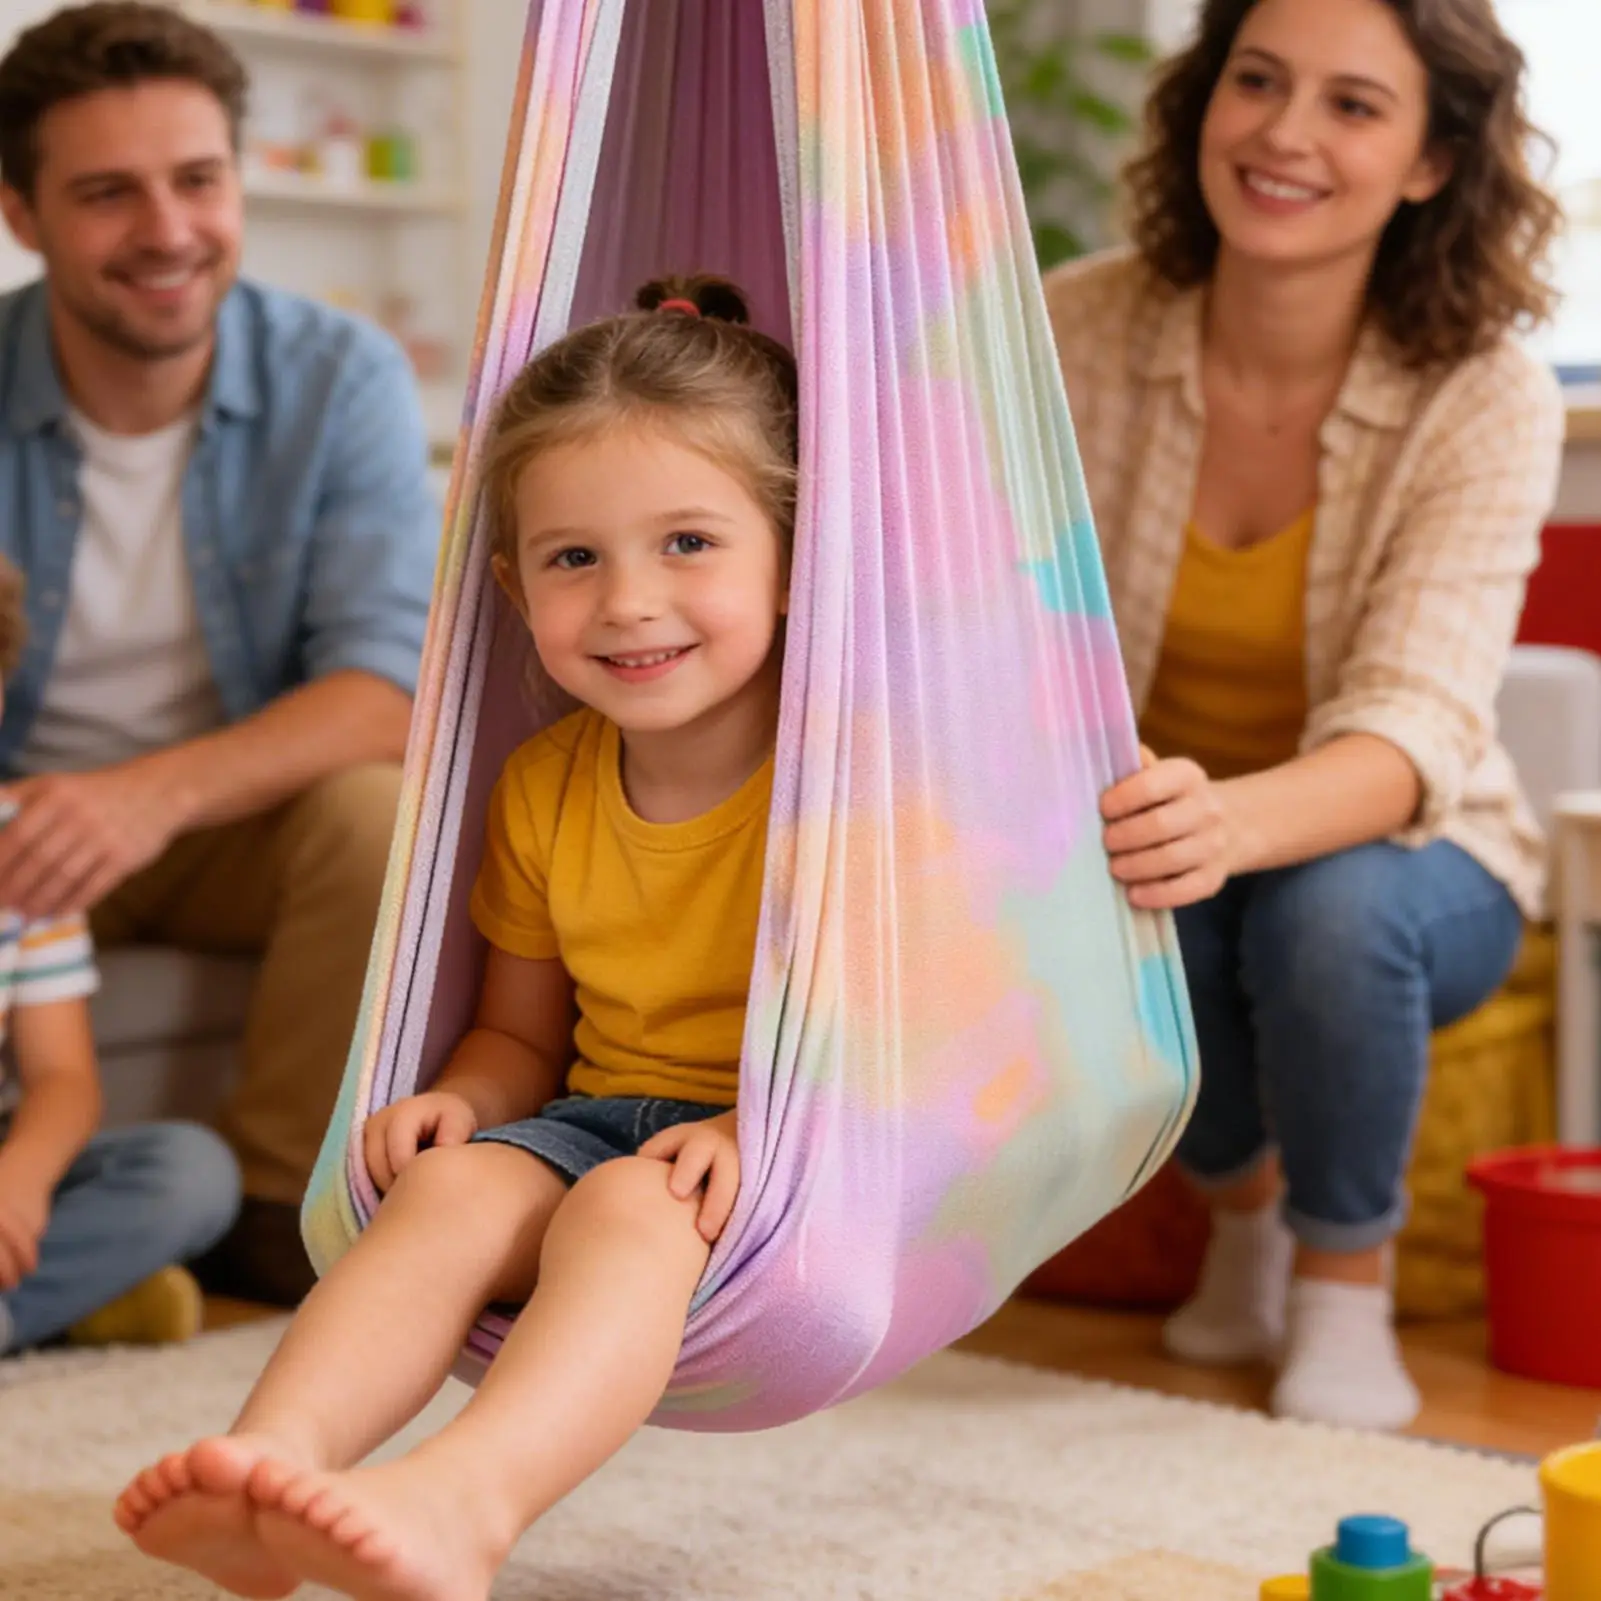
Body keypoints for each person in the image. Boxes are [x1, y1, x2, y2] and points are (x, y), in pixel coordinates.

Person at [113, 273, 794, 1600]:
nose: (626, 601)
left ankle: (464, 1502)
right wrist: (464, 1101)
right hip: (597, 1112)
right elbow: (520, 1033)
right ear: (513, 581)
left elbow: (942, 1026)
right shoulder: (541, 786)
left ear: (790, 550)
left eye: (690, 544)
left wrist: (768, 1124)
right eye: (573, 556)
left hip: (786, 1142)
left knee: (625, 1206)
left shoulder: (847, 791)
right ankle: (269, 1468)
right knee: (453, 1187)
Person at [1050, 0, 1565, 1430]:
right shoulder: (1071, 330)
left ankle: (1342, 1275)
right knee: (1137, 890)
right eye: (1257, 81)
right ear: (1202, 103)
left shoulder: (1485, 395)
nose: (1284, 132)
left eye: (1352, 105)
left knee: (1317, 903)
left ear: (1428, 159)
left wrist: (1221, 820)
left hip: (1417, 856)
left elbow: (1413, 728)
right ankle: (1244, 1221)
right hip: (1156, 824)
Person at [0, 3, 439, 1305]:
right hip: (16, 829)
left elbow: (386, 693)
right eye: (107, 194)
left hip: (229, 820)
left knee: (381, 817)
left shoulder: (341, 376)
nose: (169, 230)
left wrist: (144, 797)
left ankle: (261, 1214)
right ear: (22, 214)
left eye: (198, 179)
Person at [0, 551, 242, 1356]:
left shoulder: (20, 857)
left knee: (189, 1171)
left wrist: (23, 1178)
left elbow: (64, 1081)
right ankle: (62, 1305)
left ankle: (45, 1297)